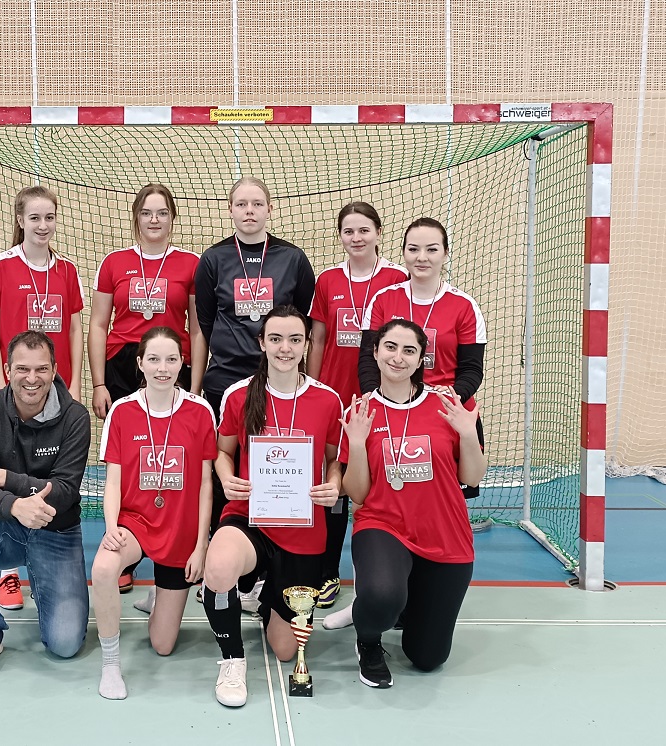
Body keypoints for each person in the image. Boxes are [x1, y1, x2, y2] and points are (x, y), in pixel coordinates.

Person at [323, 216, 487, 630]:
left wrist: (445, 400)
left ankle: (417, 597)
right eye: (414, 248)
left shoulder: (464, 305)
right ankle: (369, 600)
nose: (422, 257)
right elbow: (366, 359)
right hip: (386, 414)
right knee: (372, 505)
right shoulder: (384, 298)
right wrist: (378, 400)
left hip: (443, 422)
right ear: (403, 253)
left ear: (445, 254)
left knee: (434, 510)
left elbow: (472, 369)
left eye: (432, 249)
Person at [202, 306, 343, 707]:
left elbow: (336, 460)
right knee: (220, 564)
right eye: (276, 339)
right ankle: (232, 660)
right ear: (261, 343)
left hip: (303, 528)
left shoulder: (328, 400)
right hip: (249, 517)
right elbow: (223, 452)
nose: (285, 348)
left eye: (295, 339)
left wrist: (333, 485)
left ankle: (265, 599)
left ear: (306, 344)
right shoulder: (239, 393)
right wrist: (226, 477)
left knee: (285, 650)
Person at [339, 319, 486, 688]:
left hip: (444, 533)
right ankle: (368, 639)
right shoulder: (361, 411)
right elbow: (356, 493)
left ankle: (406, 605)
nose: (398, 358)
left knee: (427, 658)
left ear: (422, 358)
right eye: (390, 347)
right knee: (382, 596)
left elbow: (472, 477)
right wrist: (357, 444)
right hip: (384, 524)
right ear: (375, 352)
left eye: (409, 350)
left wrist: (468, 434)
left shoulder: (447, 404)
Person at [194, 178, 316, 612]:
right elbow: (204, 325)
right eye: (241, 204)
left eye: (257, 203)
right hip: (225, 380)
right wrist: (196, 387)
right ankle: (223, 566)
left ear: (269, 208)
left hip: (279, 382)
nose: (249, 211)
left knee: (278, 471)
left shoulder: (293, 259)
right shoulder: (213, 260)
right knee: (224, 473)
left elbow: (303, 320)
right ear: (230, 210)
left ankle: (269, 570)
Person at [89, 183, 206, 595]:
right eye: (146, 212)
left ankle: (174, 548)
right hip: (125, 365)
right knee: (130, 460)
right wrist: (100, 381)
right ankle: (123, 548)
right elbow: (99, 324)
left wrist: (195, 384)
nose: (154, 220)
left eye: (162, 212)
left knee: (177, 461)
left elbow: (197, 326)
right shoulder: (115, 262)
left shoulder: (191, 264)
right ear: (136, 218)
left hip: (170, 364)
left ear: (173, 218)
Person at [0, 331, 91, 679]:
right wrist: (16, 508)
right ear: (7, 369)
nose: (32, 379)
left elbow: (64, 492)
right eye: (22, 369)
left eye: (42, 369)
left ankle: (45, 579)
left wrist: (2, 477)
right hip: (11, 528)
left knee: (64, 645)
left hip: (57, 529)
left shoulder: (75, 418)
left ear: (55, 369)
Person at [91, 327, 217, 699]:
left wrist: (200, 545)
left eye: (172, 359)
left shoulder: (199, 411)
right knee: (102, 568)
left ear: (182, 363)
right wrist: (111, 525)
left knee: (163, 644)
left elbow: (206, 485)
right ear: (140, 363)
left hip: (179, 530)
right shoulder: (122, 410)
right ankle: (111, 664)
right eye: (155, 359)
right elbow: (112, 480)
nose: (163, 368)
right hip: (136, 523)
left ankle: (160, 595)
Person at [0, 185, 86, 611]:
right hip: (13, 389)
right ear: (21, 220)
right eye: (35, 218)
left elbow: (76, 330)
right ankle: (8, 575)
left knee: (49, 472)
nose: (43, 226)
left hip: (54, 390)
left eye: (50, 218)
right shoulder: (0, 266)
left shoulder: (68, 271)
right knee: (8, 470)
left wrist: (75, 385)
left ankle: (45, 557)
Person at [307, 202, 407, 609]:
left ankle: (384, 576)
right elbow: (317, 339)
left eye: (364, 230)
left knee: (377, 489)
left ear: (379, 233)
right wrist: (312, 385)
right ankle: (328, 572)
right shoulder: (328, 280)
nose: (357, 238)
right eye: (349, 231)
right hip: (335, 396)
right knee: (335, 486)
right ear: (340, 236)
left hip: (380, 400)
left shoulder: (397, 279)